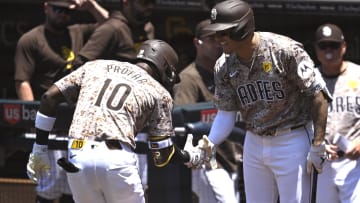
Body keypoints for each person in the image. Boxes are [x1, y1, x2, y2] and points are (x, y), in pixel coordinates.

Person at [25, 39, 212, 203]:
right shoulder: (158, 91)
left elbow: (49, 98)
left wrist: (39, 148)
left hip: (77, 154)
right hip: (116, 159)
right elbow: (162, 156)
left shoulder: (96, 66)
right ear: (165, 66)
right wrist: (190, 156)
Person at [190, 0, 332, 202]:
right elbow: (226, 114)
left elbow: (318, 96)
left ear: (242, 28)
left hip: (291, 139)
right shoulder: (223, 65)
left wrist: (318, 144)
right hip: (254, 142)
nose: (218, 39)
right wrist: (209, 144)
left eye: (223, 32)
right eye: (215, 34)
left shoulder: (284, 50)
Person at [14, 0, 108, 202]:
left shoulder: (78, 32)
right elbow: (23, 81)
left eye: (67, 11)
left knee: (77, 183)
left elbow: (115, 26)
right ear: (46, 7)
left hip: (79, 124)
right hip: (51, 123)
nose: (63, 15)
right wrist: (34, 125)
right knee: (50, 186)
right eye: (58, 9)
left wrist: (91, 5)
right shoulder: (31, 39)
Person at [173, 19, 239, 203]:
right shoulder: (189, 78)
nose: (218, 44)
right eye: (211, 39)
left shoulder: (229, 74)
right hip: (207, 163)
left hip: (230, 160)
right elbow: (181, 123)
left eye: (221, 38)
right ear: (197, 43)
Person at [314, 23, 360, 203]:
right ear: (316, 49)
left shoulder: (357, 74)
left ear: (344, 46)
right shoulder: (309, 79)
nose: (328, 50)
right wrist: (316, 144)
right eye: (323, 46)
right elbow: (298, 120)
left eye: (333, 45)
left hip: (354, 162)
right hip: (321, 162)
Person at [72, 0, 156, 67]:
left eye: (153, 2)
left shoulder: (148, 29)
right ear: (126, 2)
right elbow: (80, 65)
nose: (150, 7)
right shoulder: (112, 29)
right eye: (144, 2)